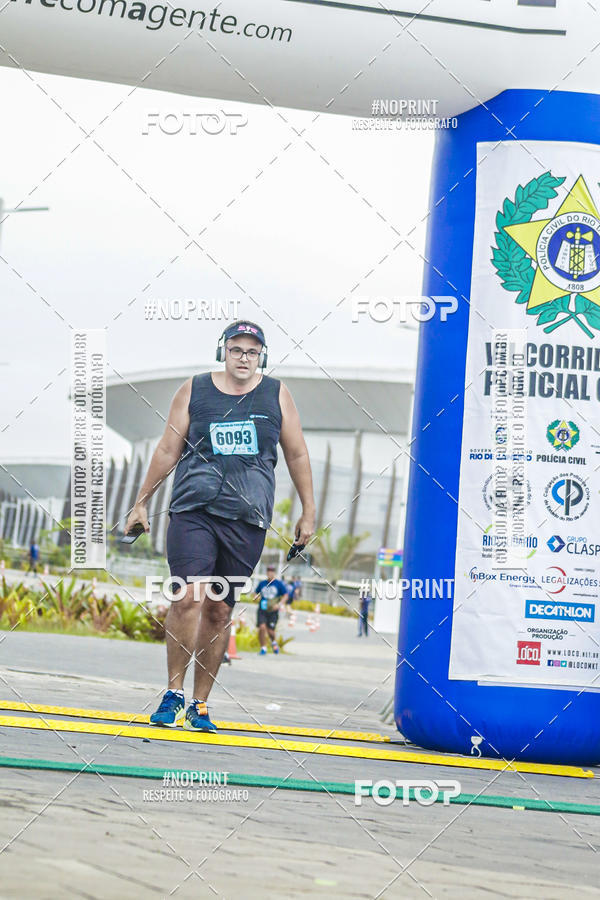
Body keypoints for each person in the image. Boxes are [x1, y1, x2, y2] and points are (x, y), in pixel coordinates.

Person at [125, 320, 315, 732]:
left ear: (260, 355)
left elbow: (297, 455)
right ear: (222, 352)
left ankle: (200, 704)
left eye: (251, 351)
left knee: (219, 608)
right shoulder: (194, 389)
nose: (243, 358)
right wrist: (141, 502)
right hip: (194, 509)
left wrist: (308, 511)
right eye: (236, 350)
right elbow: (166, 449)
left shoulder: (277, 394)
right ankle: (173, 694)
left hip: (247, 519)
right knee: (189, 596)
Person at [255, 564, 288, 654]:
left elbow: (285, 595)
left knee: (271, 631)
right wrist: (256, 597)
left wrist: (279, 604)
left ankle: (273, 642)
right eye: (268, 571)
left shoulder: (278, 584)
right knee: (262, 628)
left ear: (274, 573)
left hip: (273, 611)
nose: (270, 572)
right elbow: (255, 593)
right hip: (262, 610)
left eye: (272, 571)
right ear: (266, 572)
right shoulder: (262, 583)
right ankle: (263, 648)